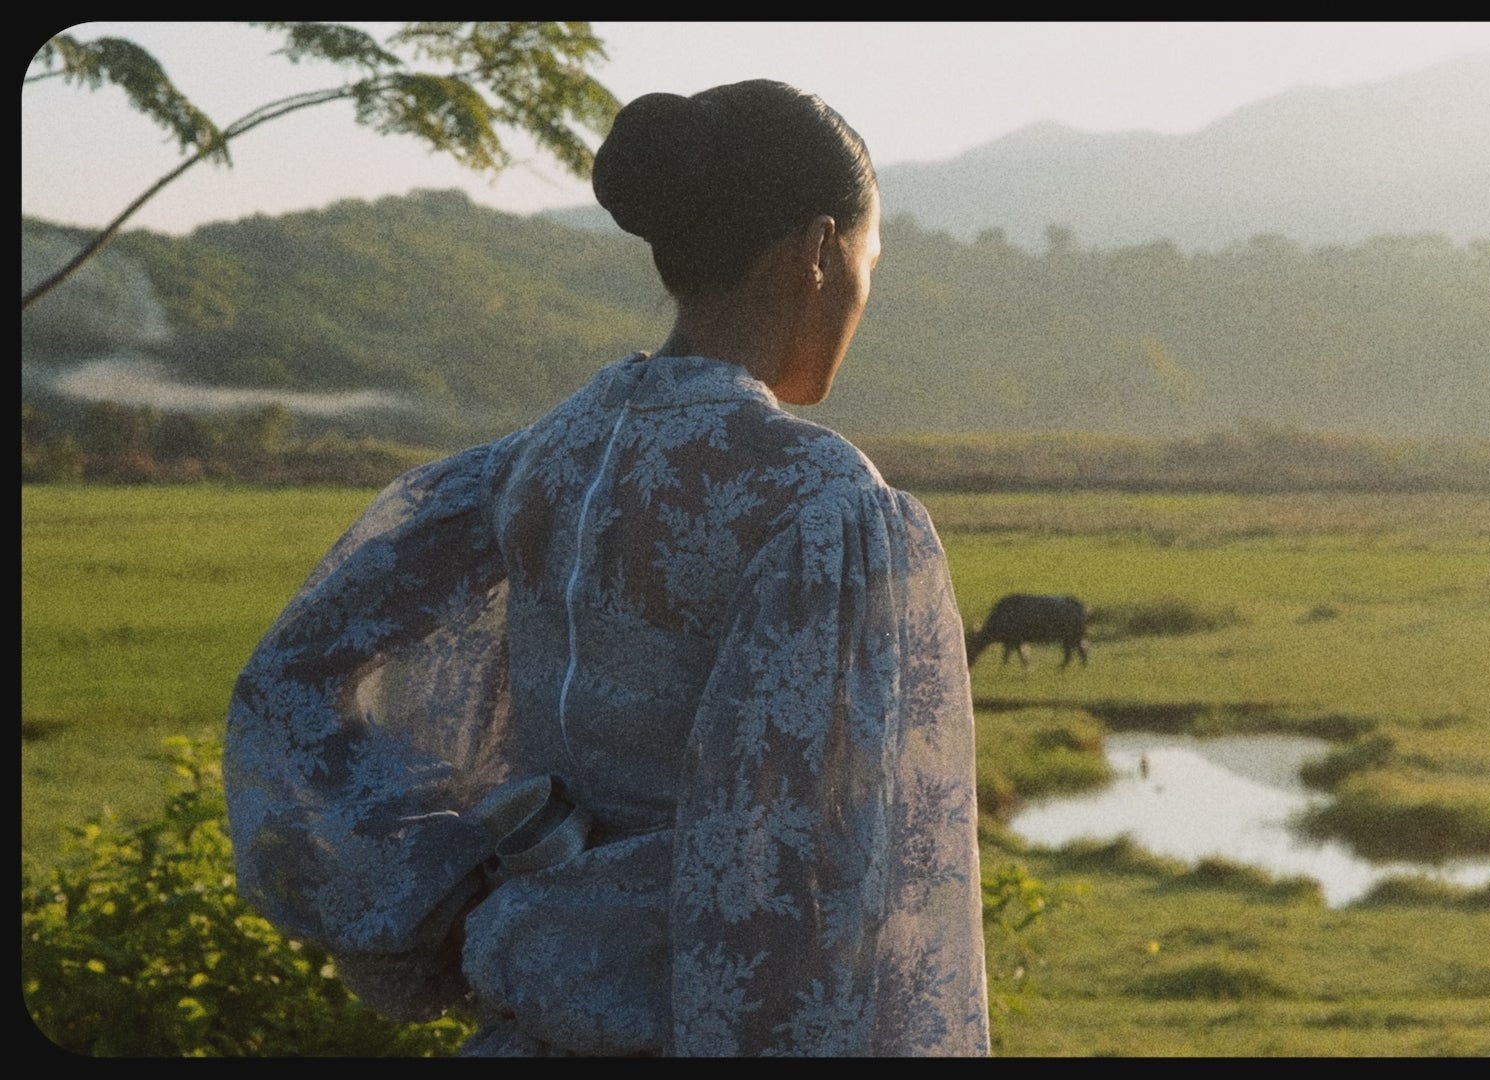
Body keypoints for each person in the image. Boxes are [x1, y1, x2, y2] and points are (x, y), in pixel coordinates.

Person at [224, 80, 990, 1057]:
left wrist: (437, 882)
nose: (862, 295)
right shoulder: (822, 500)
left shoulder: (534, 461)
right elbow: (823, 874)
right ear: (819, 250)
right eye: (869, 262)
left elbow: (292, 678)